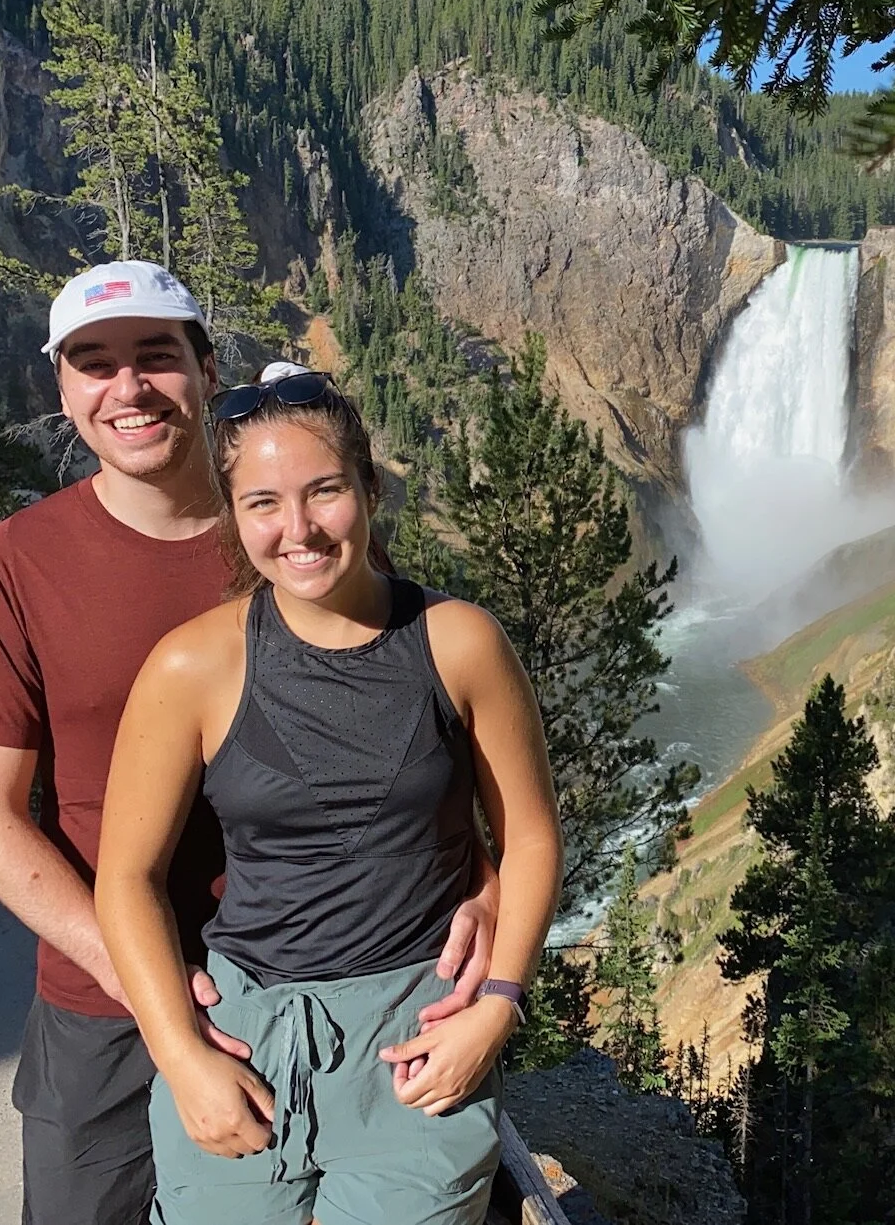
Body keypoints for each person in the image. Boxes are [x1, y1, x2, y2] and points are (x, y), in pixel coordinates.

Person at [0, 263, 499, 1225]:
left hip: (325, 997)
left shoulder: (299, 536)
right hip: (106, 1005)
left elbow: (402, 728)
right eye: (94, 364)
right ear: (61, 389)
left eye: (156, 356)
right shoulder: (14, 566)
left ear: (204, 367)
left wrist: (479, 872)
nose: (128, 388)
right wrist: (154, 996)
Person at [96, 362, 562, 1225]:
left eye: (323, 491)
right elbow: (126, 875)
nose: (299, 528)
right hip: (244, 1036)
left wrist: (498, 1006)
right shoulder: (193, 664)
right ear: (234, 516)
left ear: (369, 489)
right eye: (263, 502)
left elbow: (530, 836)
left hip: (415, 1037)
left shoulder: (457, 643)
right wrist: (182, 1057)